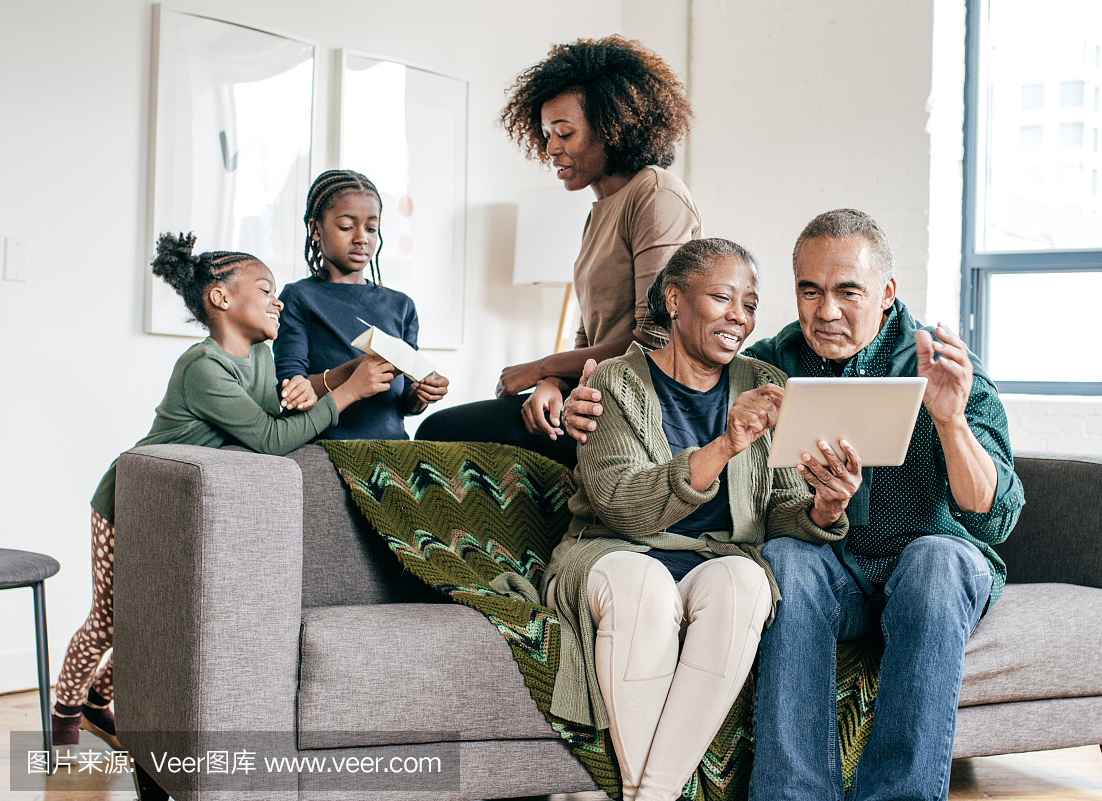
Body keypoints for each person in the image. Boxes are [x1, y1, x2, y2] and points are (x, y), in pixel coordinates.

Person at [564, 209, 1026, 800]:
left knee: (935, 563)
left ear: (886, 292)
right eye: (810, 291)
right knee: (784, 560)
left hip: (929, 564)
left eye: (847, 292)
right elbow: (681, 366)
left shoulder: (937, 365)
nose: (826, 311)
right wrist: (558, 395)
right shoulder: (772, 361)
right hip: (836, 567)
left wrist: (951, 421)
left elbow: (996, 513)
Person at [50, 233, 394, 763]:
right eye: (265, 288)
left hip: (179, 510)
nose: (278, 300)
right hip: (129, 502)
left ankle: (100, 699)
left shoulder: (261, 354)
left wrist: (343, 376)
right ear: (221, 298)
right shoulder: (202, 366)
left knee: (156, 615)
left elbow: (281, 409)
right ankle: (66, 715)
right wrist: (348, 394)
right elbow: (268, 440)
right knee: (112, 618)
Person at [543, 238, 849, 801]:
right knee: (645, 588)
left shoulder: (765, 385)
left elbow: (779, 510)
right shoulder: (615, 382)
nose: (740, 316)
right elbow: (622, 508)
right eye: (723, 297)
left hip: (713, 556)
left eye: (751, 304)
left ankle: (646, 796)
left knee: (747, 582)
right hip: (618, 553)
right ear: (674, 299)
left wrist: (824, 507)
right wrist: (726, 444)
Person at [416, 35, 700, 466]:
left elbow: (656, 336)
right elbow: (589, 336)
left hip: (643, 411)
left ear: (611, 126)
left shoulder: (657, 195)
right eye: (546, 134)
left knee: (438, 431)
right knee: (444, 430)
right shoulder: (598, 211)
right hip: (594, 395)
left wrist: (538, 367)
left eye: (564, 133)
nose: (550, 149)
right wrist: (549, 383)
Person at [273, 169, 449, 440]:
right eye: (346, 226)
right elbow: (290, 390)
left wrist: (421, 395)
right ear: (315, 229)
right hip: (327, 445)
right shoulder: (298, 297)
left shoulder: (401, 305)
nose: (361, 238)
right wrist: (353, 372)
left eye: (371, 228)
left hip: (394, 448)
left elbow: (403, 402)